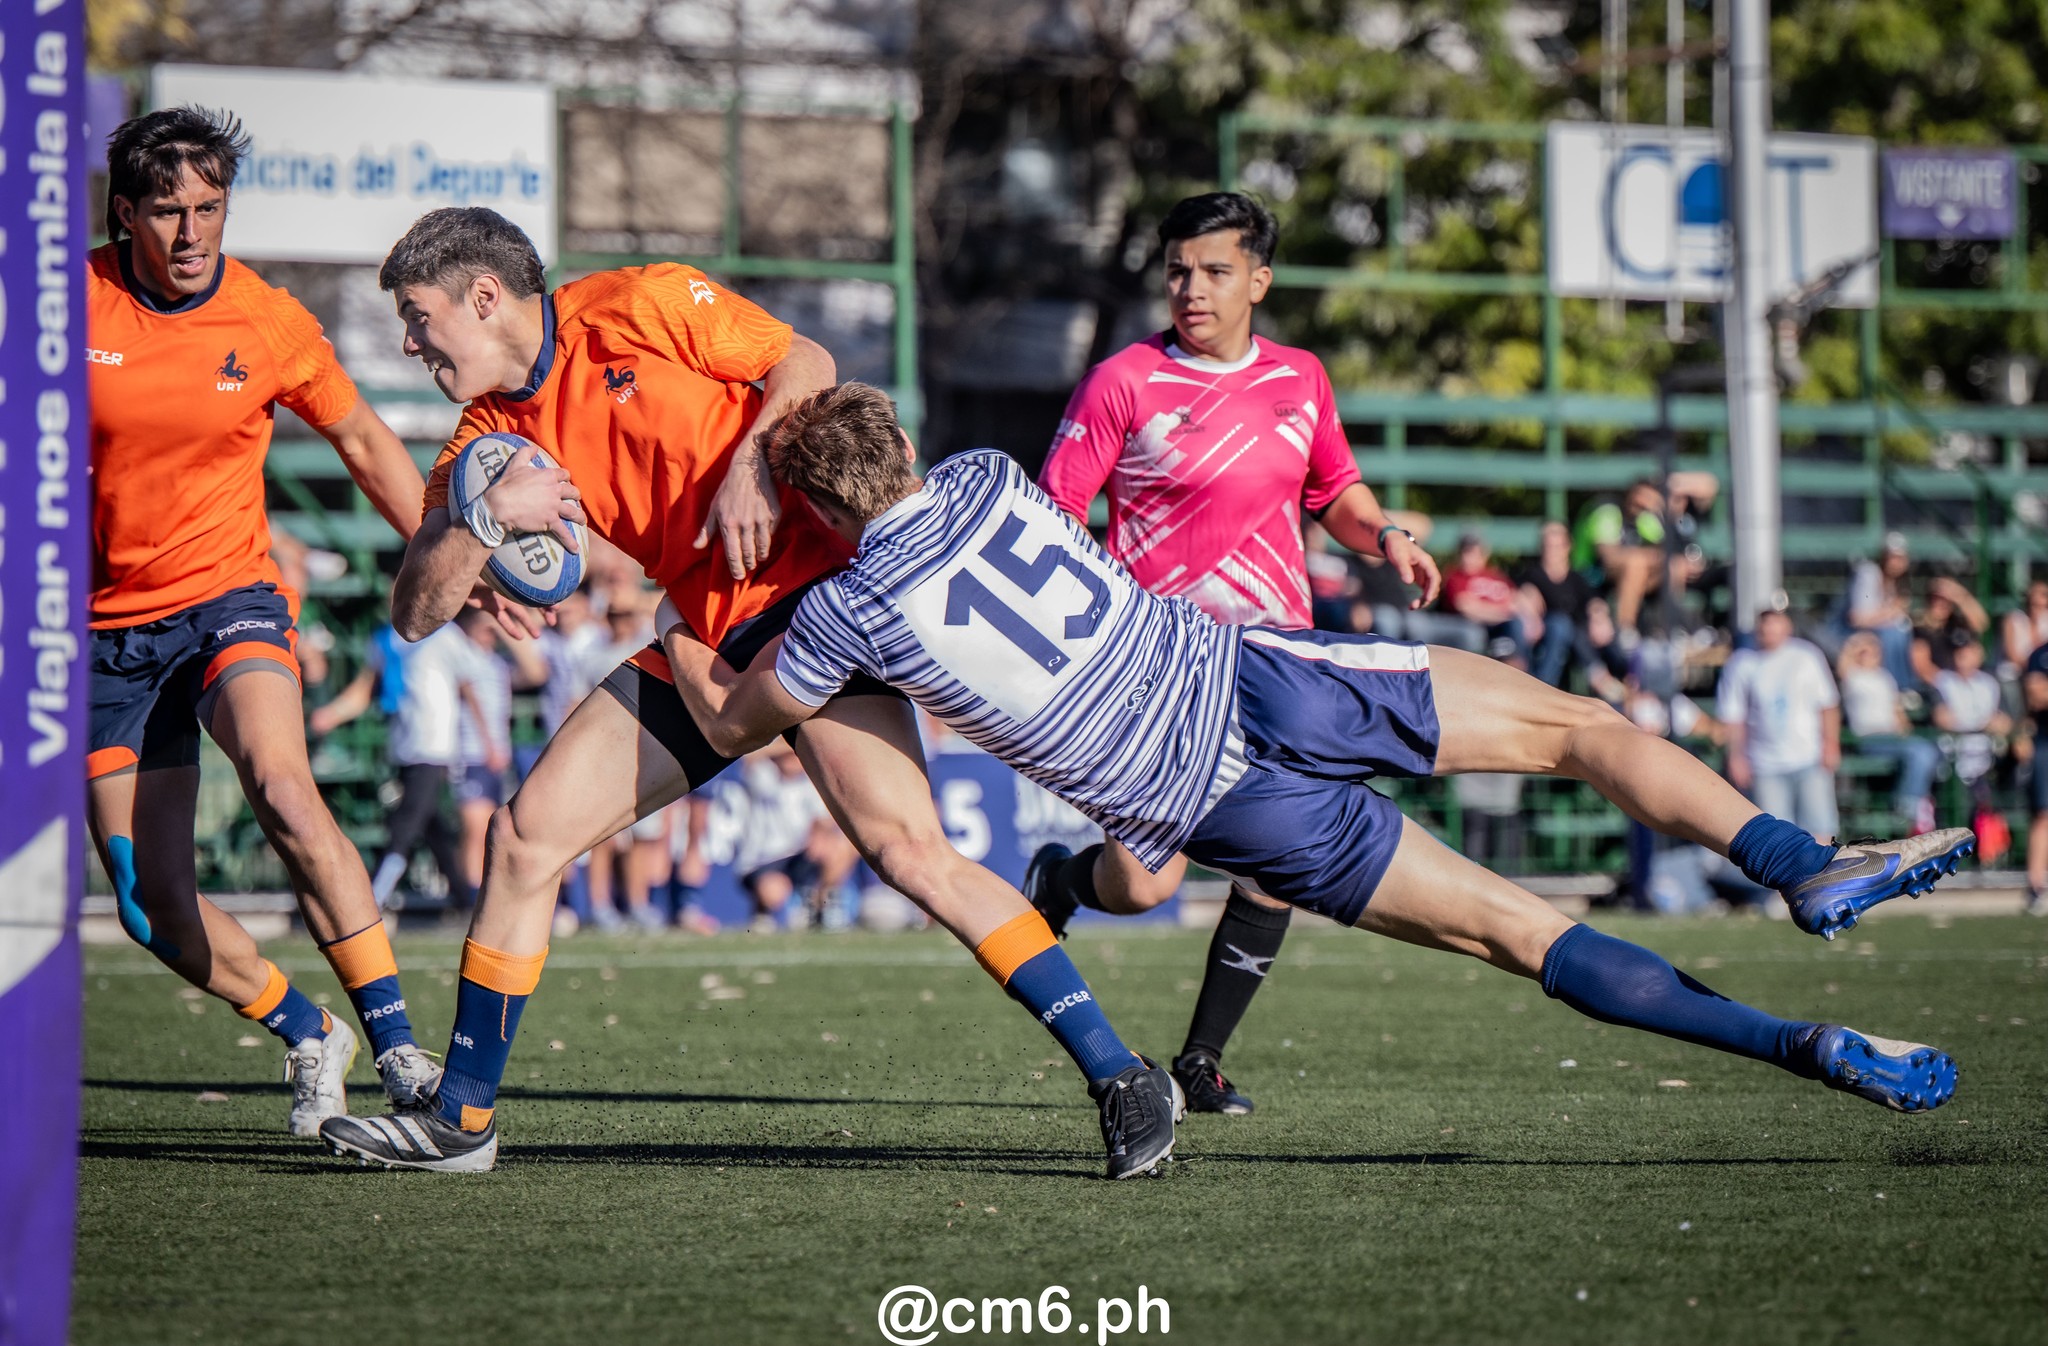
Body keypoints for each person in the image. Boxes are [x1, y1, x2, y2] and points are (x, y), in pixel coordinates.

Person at [668, 382, 1979, 1126]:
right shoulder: (985, 475)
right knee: (1582, 729)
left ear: (815, 509)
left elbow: (733, 721)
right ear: (902, 445)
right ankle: (1795, 859)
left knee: (1526, 934)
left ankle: (1804, 1044)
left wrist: (680, 618)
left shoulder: (845, 611)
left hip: (1212, 801)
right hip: (1259, 679)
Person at [319, 208, 1180, 1178]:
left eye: (417, 314)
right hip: (708, 634)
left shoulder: (634, 302)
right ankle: (460, 1121)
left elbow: (804, 360)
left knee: (910, 854)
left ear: (483, 298)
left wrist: (747, 467)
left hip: (831, 605)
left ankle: (1123, 1076)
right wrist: (481, 520)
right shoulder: (485, 438)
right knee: (523, 838)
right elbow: (415, 609)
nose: (409, 340)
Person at [1034, 191, 1443, 1115]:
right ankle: (1061, 878)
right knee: (1145, 886)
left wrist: (1387, 537)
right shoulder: (1122, 381)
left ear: (1259, 280)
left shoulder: (1302, 377)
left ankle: (1201, 1061)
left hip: (1277, 662)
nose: (1192, 289)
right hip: (1154, 669)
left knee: (1277, 864)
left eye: (1215, 271)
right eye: (1178, 271)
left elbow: (1334, 492)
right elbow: (1054, 514)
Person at [85, 105, 440, 1133]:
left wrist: (450, 553)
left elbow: (365, 442)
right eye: (168, 210)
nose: (192, 231)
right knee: (149, 904)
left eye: (210, 207)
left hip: (226, 599)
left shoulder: (268, 318)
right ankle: (307, 1029)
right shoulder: (64, 304)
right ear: (126, 213)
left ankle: (399, 1048)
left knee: (284, 787)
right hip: (99, 639)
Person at [311, 621, 479, 912]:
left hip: (433, 745)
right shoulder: (385, 640)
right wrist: (332, 715)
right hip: (404, 746)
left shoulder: (444, 634)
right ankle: (464, 899)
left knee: (405, 824)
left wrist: (485, 738)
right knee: (431, 824)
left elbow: (468, 685)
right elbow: (364, 689)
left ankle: (372, 899)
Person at [1717, 606, 1842, 845]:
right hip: (1765, 763)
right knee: (1777, 838)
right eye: (1765, 624)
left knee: (1821, 830)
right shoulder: (1742, 663)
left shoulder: (1807, 656)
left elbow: (1827, 704)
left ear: (1787, 626)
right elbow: (1734, 716)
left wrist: (1831, 743)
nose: (1770, 629)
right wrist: (1736, 756)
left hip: (1809, 757)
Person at [451, 605, 548, 897]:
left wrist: (505, 631)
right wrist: (488, 746)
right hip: (469, 755)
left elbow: (536, 672)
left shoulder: (497, 664)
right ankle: (469, 896)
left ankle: (478, 892)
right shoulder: (460, 655)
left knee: (493, 830)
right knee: (476, 828)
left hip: (496, 759)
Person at [1836, 631, 1940, 834]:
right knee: (1920, 752)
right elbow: (1843, 664)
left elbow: (1896, 710)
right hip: (1870, 738)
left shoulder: (1884, 677)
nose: (1871, 655)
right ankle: (1907, 809)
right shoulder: (1853, 676)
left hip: (1892, 737)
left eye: (1874, 651)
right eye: (1865, 651)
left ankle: (1918, 806)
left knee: (1927, 750)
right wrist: (1857, 643)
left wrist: (1905, 729)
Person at [1517, 521, 1623, 696]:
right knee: (1561, 625)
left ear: (1567, 547)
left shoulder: (1576, 578)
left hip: (1581, 637)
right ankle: (1544, 689)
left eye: (1557, 546)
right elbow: (1519, 597)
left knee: (1614, 635)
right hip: (1550, 635)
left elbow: (1594, 601)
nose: (1552, 551)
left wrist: (1599, 618)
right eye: (1548, 546)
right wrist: (1529, 609)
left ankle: (1630, 685)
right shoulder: (1532, 576)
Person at [1846, 535, 1915, 688]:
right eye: (1892, 557)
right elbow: (1858, 619)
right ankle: (1897, 687)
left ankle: (1907, 686)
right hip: (1846, 633)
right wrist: (1894, 611)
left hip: (1875, 633)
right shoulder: (1868, 573)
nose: (1895, 563)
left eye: (1900, 558)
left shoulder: (1897, 582)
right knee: (1894, 634)